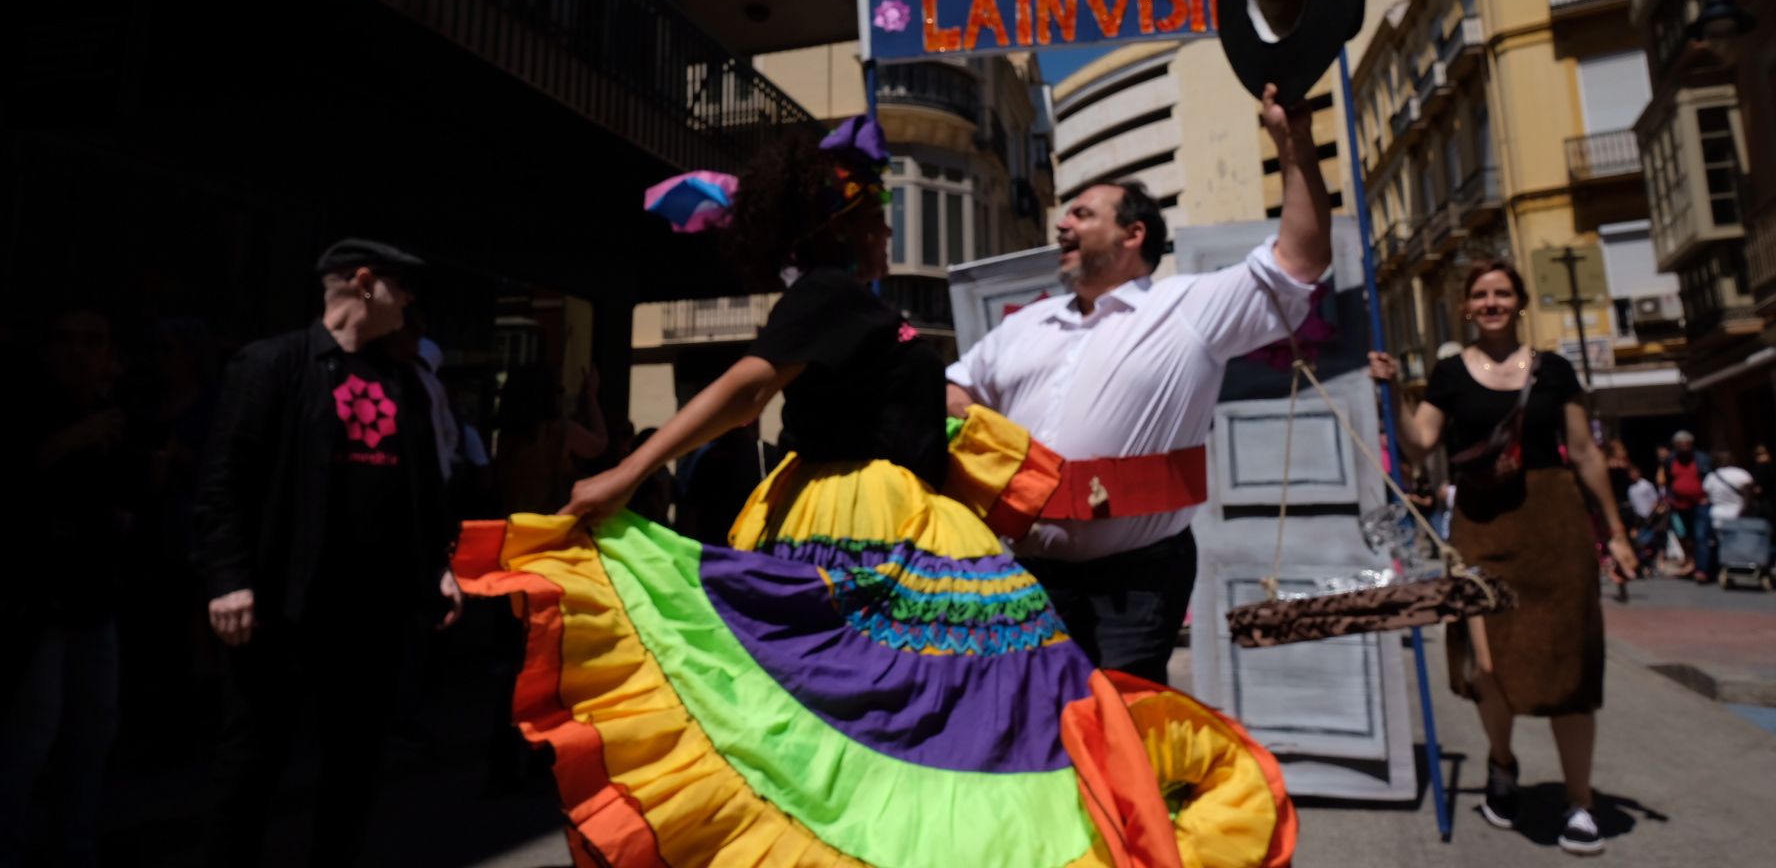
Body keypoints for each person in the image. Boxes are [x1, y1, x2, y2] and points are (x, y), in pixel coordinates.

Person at [458, 122, 1296, 866]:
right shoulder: (827, 294)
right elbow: (751, 386)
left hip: (905, 517)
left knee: (922, 710)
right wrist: (628, 474)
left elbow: (926, 399)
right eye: (877, 216)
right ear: (846, 227)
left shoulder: (864, 306)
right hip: (857, 517)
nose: (889, 228)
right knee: (903, 708)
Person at [943, 84, 1330, 681]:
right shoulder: (1025, 326)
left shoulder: (1189, 308)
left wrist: (1293, 142)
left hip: (1138, 578)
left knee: (1128, 732)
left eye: (1081, 213)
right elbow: (957, 391)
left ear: (1133, 236)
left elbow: (1298, 263)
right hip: (1028, 576)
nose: (1061, 223)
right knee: (1038, 732)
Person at [193, 239, 462, 868]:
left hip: (368, 615)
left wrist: (437, 570)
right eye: (402, 285)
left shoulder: (404, 384)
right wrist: (228, 579)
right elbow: (224, 482)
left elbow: (422, 491)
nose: (411, 301)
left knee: (355, 771)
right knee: (249, 767)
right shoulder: (274, 365)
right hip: (279, 609)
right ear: (363, 283)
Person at [1369, 259, 1637, 857]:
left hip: (1554, 524)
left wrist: (1614, 531)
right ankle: (1502, 762)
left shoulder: (1556, 370)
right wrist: (1390, 389)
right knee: (1487, 665)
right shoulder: (1447, 374)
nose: (1491, 302)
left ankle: (1580, 803)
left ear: (1518, 302)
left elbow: (1587, 454)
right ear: (1466, 307)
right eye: (1481, 295)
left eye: (1502, 293)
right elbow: (1420, 444)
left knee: (1570, 666)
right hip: (1481, 527)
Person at [1, 302, 136, 868]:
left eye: (92, 341)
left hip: (93, 593)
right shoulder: (26, 409)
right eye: (67, 340)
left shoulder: (111, 415)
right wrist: (69, 441)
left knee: (93, 728)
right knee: (31, 733)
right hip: (37, 596)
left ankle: (73, 846)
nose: (79, 353)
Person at [491, 363, 607, 516]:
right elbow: (599, 444)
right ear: (547, 395)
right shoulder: (557, 430)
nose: (562, 394)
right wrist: (591, 396)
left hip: (513, 521)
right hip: (547, 521)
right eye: (559, 390)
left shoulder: (507, 436)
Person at [1661, 431, 1713, 582]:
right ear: (1675, 446)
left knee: (1701, 536)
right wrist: (1670, 498)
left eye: (1687, 444)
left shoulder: (1702, 459)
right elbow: (1668, 481)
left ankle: (1702, 570)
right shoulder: (1671, 460)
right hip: (1679, 506)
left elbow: (1709, 478)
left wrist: (1707, 496)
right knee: (1686, 536)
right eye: (1680, 445)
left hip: (1699, 504)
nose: (1684, 447)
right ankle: (1694, 563)